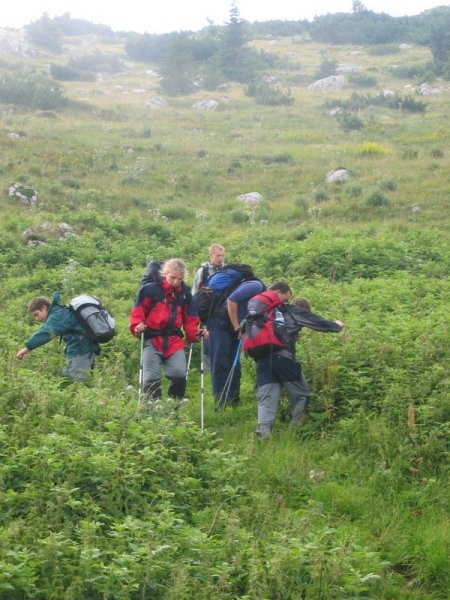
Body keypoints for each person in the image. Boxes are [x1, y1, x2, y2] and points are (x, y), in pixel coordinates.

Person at [250, 282, 344, 439]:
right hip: (284, 359)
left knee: (267, 399)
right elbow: (318, 323)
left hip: (262, 359)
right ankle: (295, 430)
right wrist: (337, 326)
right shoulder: (294, 312)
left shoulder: (268, 312)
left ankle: (263, 435)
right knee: (302, 395)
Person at [129, 258, 202, 403]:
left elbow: (191, 319)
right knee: (151, 378)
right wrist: (137, 326)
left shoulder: (186, 294)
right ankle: (151, 412)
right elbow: (138, 312)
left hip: (174, 340)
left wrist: (195, 334)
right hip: (152, 338)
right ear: (164, 274)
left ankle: (173, 409)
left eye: (179, 279)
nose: (175, 282)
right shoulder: (149, 290)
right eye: (172, 278)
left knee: (180, 374)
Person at [208, 266, 265, 408]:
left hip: (234, 325)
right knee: (220, 361)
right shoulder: (256, 286)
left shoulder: (260, 294)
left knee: (235, 363)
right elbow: (231, 301)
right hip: (220, 322)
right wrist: (236, 326)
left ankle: (233, 400)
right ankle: (220, 400)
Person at [16, 291, 99, 381]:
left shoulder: (57, 315)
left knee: (72, 381)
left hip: (81, 351)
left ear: (44, 308)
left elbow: (45, 333)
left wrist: (26, 348)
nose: (37, 319)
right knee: (80, 380)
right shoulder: (59, 312)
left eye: (36, 314)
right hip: (84, 349)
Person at [191, 243, 225, 371]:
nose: (220, 258)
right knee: (207, 336)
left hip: (222, 308)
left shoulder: (226, 270)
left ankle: (219, 364)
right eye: (217, 256)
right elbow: (195, 291)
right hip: (206, 309)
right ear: (210, 256)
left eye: (222, 256)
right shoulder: (203, 271)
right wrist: (194, 309)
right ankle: (208, 367)